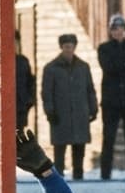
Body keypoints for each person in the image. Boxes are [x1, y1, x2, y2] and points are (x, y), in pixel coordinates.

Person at [41, 34, 97, 180]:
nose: (68, 50)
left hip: (79, 113)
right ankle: (59, 179)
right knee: (60, 150)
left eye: (71, 47)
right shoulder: (51, 68)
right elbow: (47, 92)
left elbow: (90, 89)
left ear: (74, 47)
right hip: (61, 114)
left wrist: (93, 108)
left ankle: (79, 177)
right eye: (66, 47)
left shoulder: (83, 67)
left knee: (79, 149)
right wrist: (50, 111)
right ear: (61, 47)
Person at [98, 14, 125, 180]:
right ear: (110, 31)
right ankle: (105, 174)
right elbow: (108, 67)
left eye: (121, 28)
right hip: (111, 100)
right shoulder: (104, 48)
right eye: (115, 29)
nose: (118, 31)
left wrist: (123, 66)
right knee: (109, 138)